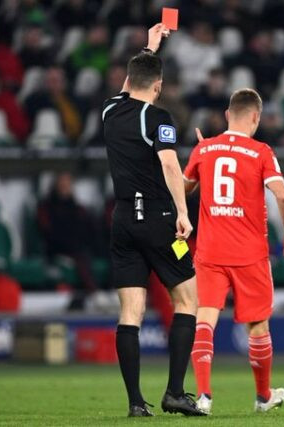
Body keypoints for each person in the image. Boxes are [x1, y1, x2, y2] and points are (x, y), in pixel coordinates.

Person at [102, 24, 204, 417]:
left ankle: (134, 403)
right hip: (159, 220)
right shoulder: (158, 118)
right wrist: (182, 212)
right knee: (188, 299)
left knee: (130, 313)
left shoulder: (110, 110)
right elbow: (170, 166)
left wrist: (149, 47)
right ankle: (175, 392)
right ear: (158, 85)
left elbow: (133, 81)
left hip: (124, 218)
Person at [184, 88, 284, 414]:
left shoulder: (204, 149)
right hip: (250, 254)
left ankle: (204, 397)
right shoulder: (261, 151)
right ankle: (263, 397)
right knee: (258, 326)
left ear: (226, 115)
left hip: (210, 251)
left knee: (204, 319)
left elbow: (183, 190)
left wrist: (199, 158)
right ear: (256, 117)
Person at [37, 173, 99, 307]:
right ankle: (94, 294)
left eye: (67, 184)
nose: (64, 186)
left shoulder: (77, 207)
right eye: (62, 183)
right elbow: (48, 232)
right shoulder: (46, 207)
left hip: (78, 247)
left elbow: (88, 229)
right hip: (57, 248)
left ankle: (114, 290)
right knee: (82, 256)